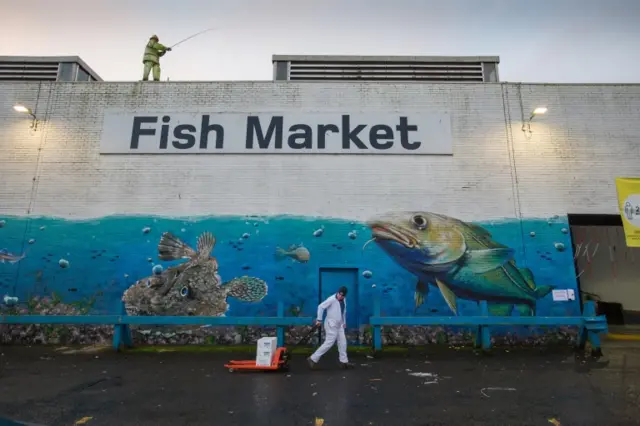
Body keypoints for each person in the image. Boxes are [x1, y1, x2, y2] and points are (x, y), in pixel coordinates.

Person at [307, 286, 354, 369]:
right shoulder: (331, 299)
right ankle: (312, 358)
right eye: (339, 294)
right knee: (329, 343)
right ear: (338, 292)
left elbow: (343, 311)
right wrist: (319, 319)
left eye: (342, 295)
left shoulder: (344, 300)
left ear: (344, 296)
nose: (340, 296)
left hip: (340, 325)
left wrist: (344, 323)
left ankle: (343, 362)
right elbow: (321, 307)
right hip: (331, 325)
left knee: (343, 342)